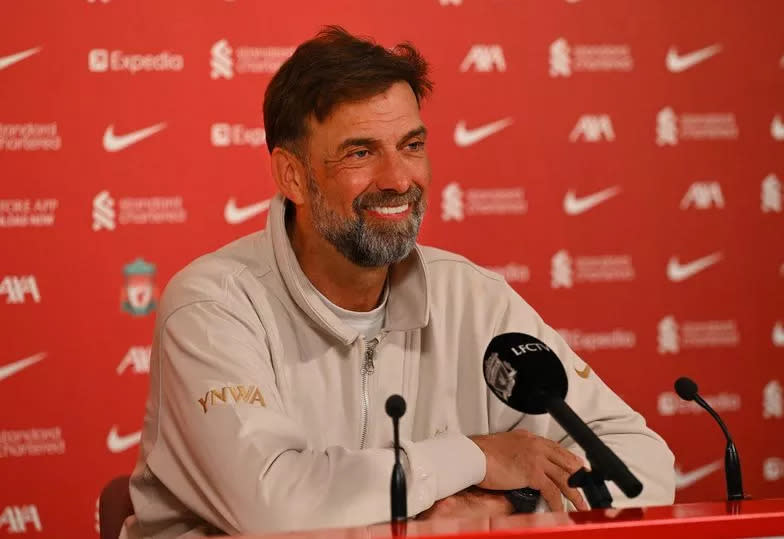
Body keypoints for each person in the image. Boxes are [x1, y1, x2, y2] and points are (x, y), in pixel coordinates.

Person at [121, 26, 674, 539]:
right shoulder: (214, 305)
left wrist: (513, 505)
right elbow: (274, 509)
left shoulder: (473, 298)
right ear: (293, 175)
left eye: (411, 146)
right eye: (360, 153)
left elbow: (637, 465)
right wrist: (475, 458)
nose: (398, 179)